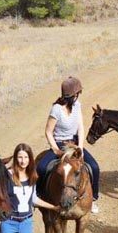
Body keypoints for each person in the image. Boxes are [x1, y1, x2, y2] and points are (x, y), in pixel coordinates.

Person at [35, 76, 101, 214]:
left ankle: (93, 199)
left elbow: (81, 128)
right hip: (59, 144)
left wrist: (80, 147)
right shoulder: (56, 109)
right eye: (78, 93)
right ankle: (39, 196)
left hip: (75, 143)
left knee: (94, 167)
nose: (78, 96)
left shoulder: (78, 105)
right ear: (73, 95)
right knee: (41, 167)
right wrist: (56, 149)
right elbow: (48, 132)